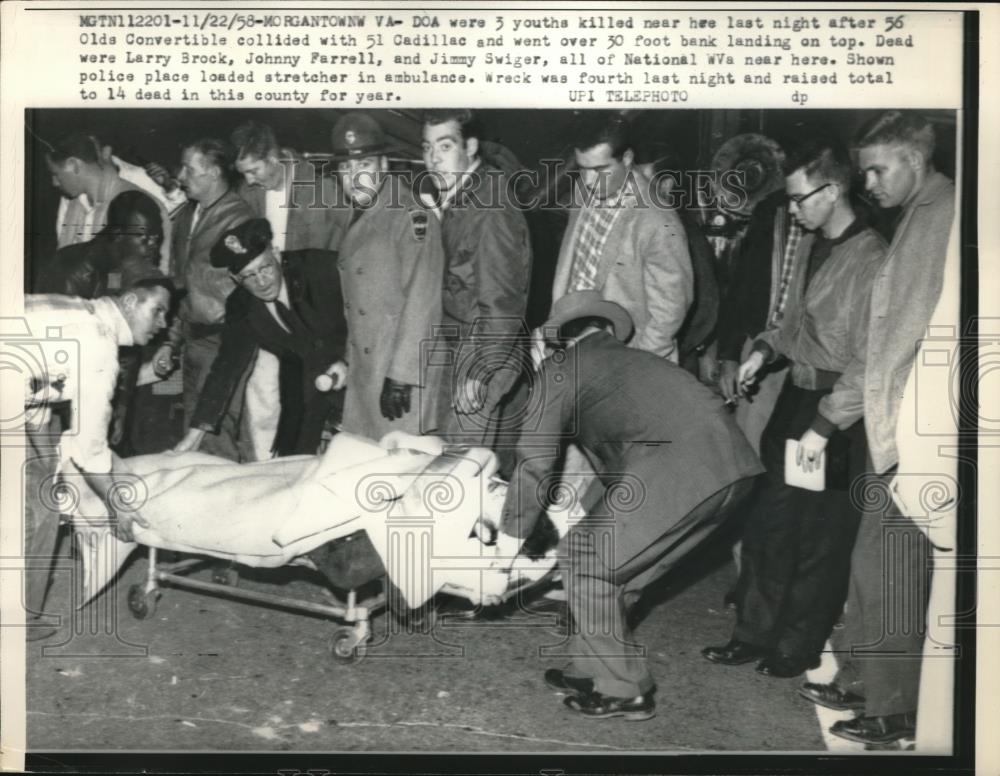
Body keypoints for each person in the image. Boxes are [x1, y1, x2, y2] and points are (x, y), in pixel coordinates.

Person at [491, 291, 762, 720]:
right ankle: (592, 667)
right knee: (619, 568)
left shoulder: (563, 366)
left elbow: (534, 459)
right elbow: (623, 466)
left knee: (585, 557)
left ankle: (624, 690)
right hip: (736, 474)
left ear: (556, 342)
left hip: (680, 472)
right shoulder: (633, 363)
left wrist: (507, 544)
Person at [701, 138, 886, 678]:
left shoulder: (870, 258)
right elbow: (789, 325)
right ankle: (754, 633)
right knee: (769, 520)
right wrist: (761, 351)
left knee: (819, 534)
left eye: (802, 199)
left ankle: (797, 645)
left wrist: (826, 425)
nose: (793, 210)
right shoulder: (812, 242)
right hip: (797, 395)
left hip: (836, 411)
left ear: (832, 192)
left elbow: (869, 358)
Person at [799, 111, 955, 746]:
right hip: (891, 421)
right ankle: (865, 678)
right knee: (873, 561)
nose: (867, 182)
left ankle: (894, 710)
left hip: (916, 426)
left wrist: (830, 416)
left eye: (877, 168)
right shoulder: (918, 217)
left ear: (915, 161)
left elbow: (899, 341)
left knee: (890, 564)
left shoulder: (943, 218)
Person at [21, 278, 173, 641]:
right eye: (158, 310)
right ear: (131, 301)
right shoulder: (100, 344)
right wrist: (116, 505)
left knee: (40, 497)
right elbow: (90, 446)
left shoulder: (82, 313)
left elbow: (37, 395)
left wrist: (48, 469)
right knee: (39, 509)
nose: (163, 323)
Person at [174, 218, 348, 458]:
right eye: (249, 276)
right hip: (302, 388)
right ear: (236, 279)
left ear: (276, 254)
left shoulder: (320, 267)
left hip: (359, 374)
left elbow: (370, 316)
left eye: (265, 267)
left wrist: (348, 360)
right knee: (290, 467)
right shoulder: (241, 306)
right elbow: (226, 367)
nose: (262, 281)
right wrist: (196, 433)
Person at [231, 120, 351, 460]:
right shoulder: (249, 194)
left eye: (254, 170)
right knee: (264, 394)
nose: (249, 180)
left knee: (314, 398)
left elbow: (350, 251)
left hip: (317, 314)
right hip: (273, 310)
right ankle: (266, 467)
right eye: (244, 174)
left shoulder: (324, 190)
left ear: (275, 157)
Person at [420, 109, 533, 448]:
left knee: (460, 461)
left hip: (484, 347)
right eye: (427, 148)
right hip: (466, 340)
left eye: (445, 146)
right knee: (469, 456)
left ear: (470, 147)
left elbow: (502, 301)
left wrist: (480, 370)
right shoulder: (467, 194)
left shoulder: (490, 207)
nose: (433, 160)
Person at [331, 111, 444, 441]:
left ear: (383, 166)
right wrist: (348, 361)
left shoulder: (411, 217)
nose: (354, 177)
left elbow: (423, 301)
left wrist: (401, 376)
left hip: (401, 378)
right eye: (345, 169)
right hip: (370, 372)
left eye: (363, 166)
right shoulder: (362, 216)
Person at [551, 112, 693, 363]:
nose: (589, 181)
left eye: (600, 169)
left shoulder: (657, 220)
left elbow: (670, 310)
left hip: (628, 357)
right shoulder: (583, 188)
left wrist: (634, 365)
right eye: (583, 169)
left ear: (627, 158)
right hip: (576, 343)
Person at [165, 138, 255, 461]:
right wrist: (172, 341)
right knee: (195, 431)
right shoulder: (187, 217)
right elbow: (182, 284)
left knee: (214, 433)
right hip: (194, 338)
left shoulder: (239, 218)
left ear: (214, 173)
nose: (180, 175)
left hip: (222, 340)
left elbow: (249, 289)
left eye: (189, 168)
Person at [631, 139, 720, 379]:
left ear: (667, 185)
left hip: (668, 364)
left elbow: (707, 309)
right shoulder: (639, 228)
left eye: (642, 181)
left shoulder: (684, 236)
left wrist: (677, 345)